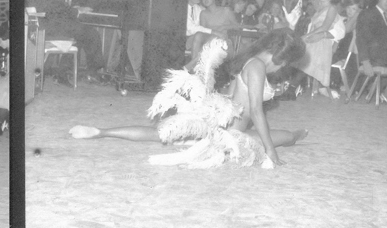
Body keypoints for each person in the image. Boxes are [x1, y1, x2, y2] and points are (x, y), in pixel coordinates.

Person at [69, 29, 309, 167]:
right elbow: (256, 111)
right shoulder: (257, 67)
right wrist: (271, 152)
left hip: (219, 122)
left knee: (161, 134)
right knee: (284, 138)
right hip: (232, 133)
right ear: (282, 59)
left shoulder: (252, 60)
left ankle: (100, 131)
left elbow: (236, 97)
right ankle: (296, 135)